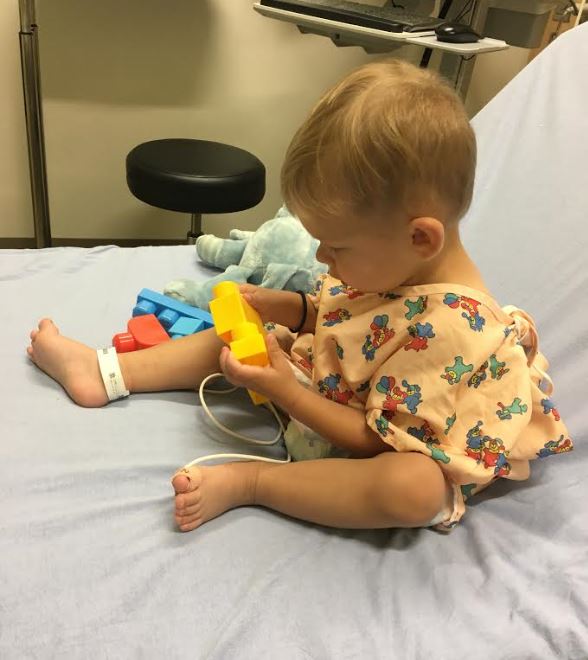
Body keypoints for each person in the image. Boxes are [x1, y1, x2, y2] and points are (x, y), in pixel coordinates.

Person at [27, 59, 572, 534]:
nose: (322, 260)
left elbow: (374, 441)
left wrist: (284, 391)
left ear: (420, 238)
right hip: (334, 393)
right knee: (242, 336)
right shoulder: (395, 264)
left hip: (379, 442)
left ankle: (255, 483)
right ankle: (107, 372)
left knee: (411, 487)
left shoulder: (453, 330)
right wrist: (293, 309)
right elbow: (357, 322)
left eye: (337, 246)